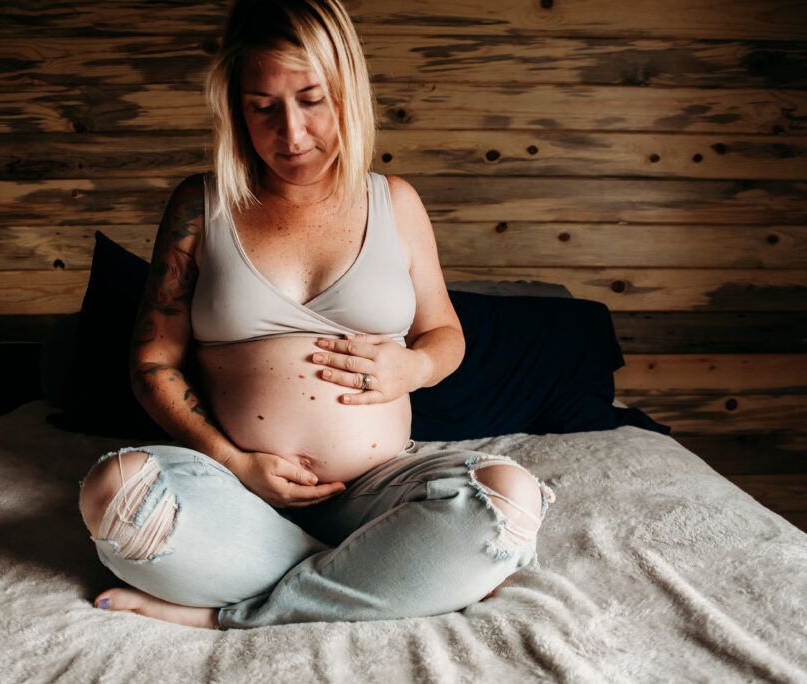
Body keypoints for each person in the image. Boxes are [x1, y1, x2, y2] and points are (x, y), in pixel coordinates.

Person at [78, 0, 554, 630]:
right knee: (113, 490)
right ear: (235, 107)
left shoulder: (397, 202)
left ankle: (226, 614)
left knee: (507, 497)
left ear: (347, 90)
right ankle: (388, 575)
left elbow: (446, 336)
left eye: (311, 99)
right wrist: (232, 461)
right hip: (235, 490)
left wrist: (411, 367)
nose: (292, 134)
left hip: (380, 490)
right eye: (262, 107)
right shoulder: (201, 204)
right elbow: (152, 361)